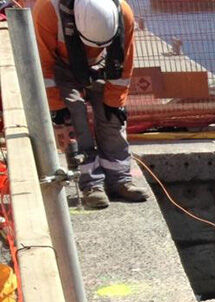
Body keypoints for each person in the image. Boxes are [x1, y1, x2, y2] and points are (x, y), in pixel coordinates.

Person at [33, 0, 148, 210]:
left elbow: (124, 66)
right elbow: (43, 65)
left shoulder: (123, 14)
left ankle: (120, 180)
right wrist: (57, 108)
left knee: (112, 116)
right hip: (61, 66)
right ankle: (91, 185)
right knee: (73, 114)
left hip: (103, 62)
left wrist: (114, 102)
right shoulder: (47, 11)